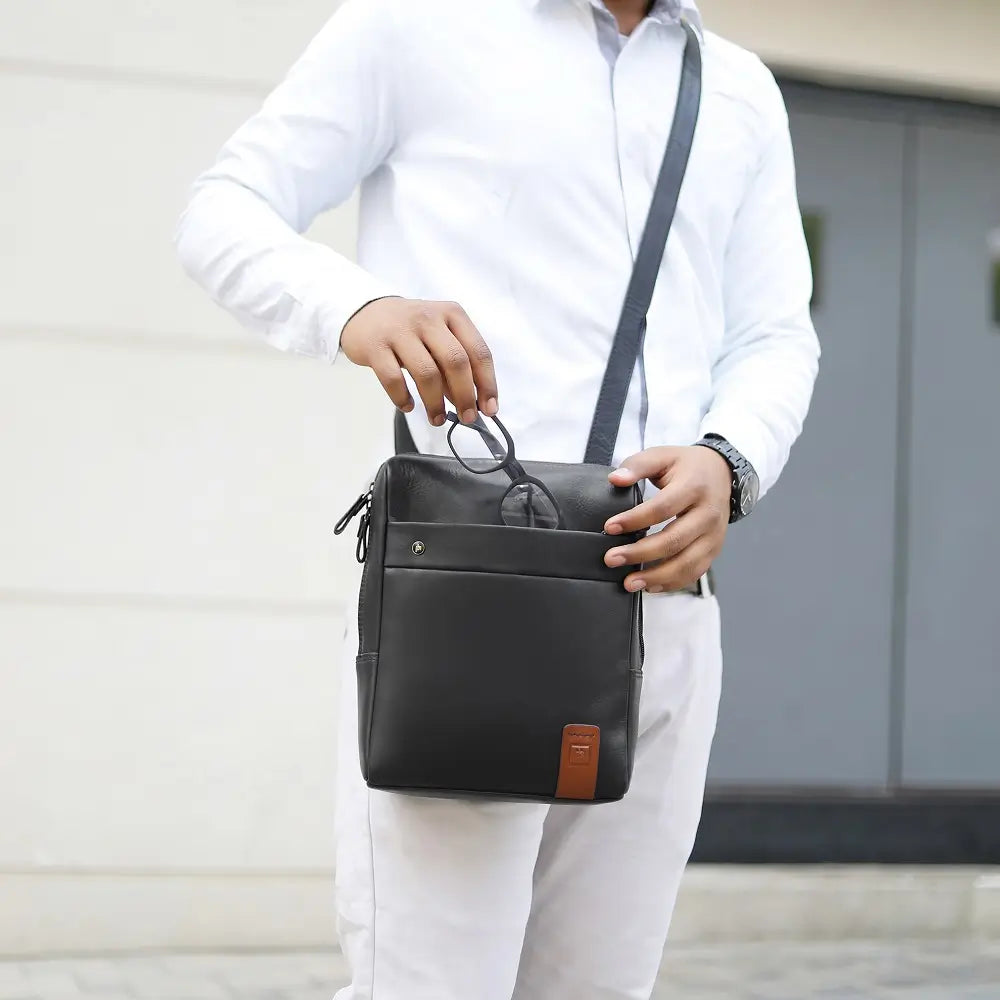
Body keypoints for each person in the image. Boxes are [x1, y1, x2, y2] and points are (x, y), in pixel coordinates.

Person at [176, 1, 819, 996]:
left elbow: (775, 332)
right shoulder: (414, 25)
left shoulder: (736, 89)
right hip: (475, 599)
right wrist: (356, 305)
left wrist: (730, 463)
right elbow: (223, 210)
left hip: (664, 611)